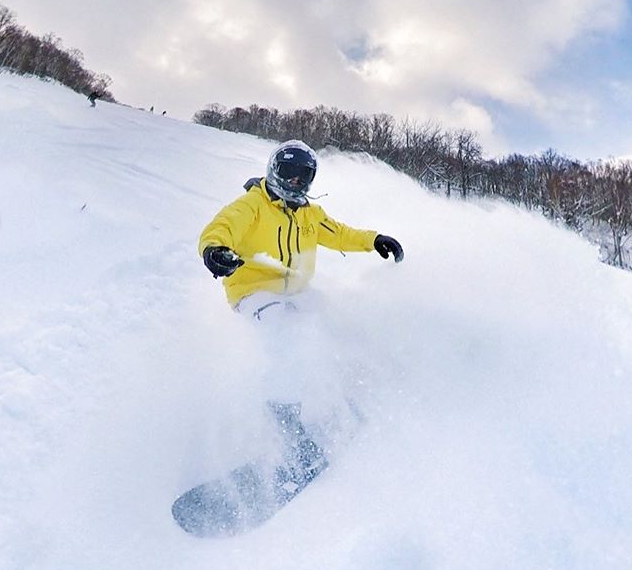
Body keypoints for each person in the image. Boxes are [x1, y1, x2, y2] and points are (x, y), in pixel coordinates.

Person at [198, 139, 404, 318]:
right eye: (289, 172)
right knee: (284, 325)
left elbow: (340, 235)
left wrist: (374, 240)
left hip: (297, 293)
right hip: (252, 293)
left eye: (303, 175)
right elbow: (224, 225)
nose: (295, 180)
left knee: (333, 320)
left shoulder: (310, 214)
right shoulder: (254, 204)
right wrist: (214, 250)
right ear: (274, 169)